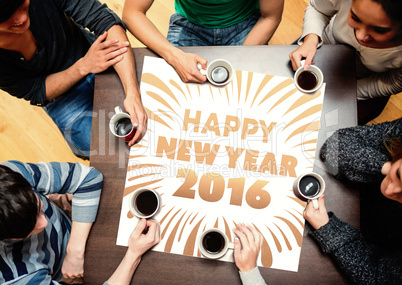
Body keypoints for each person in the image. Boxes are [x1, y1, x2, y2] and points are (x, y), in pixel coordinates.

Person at [0, 0, 147, 158]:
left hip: (94, 53)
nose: (21, 18)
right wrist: (83, 67)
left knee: (152, 105)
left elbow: (104, 20)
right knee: (107, 150)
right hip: (62, 97)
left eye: (22, 5)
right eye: (6, 17)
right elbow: (36, 90)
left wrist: (132, 93)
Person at [0, 161, 160, 284]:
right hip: (72, 274)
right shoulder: (16, 278)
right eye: (30, 228)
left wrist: (74, 251)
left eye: (39, 208)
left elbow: (88, 178)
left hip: (74, 235)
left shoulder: (11, 176)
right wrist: (134, 254)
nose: (44, 223)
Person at [303, 119, 402, 284]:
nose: (390, 191)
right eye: (399, 175)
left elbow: (376, 278)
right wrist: (385, 168)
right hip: (354, 201)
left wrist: (329, 230)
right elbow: (335, 147)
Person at [289, 0, 402, 124]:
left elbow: (393, 82)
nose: (360, 36)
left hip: (364, 83)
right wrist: (311, 39)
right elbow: (318, 8)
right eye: (355, 17)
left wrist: (349, 92)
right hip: (319, 47)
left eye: (379, 30)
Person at [122, 0, 284, 83]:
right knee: (175, 96)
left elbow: (270, 17)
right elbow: (132, 13)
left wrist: (242, 60)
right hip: (189, 24)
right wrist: (175, 56)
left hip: (244, 24)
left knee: (249, 91)